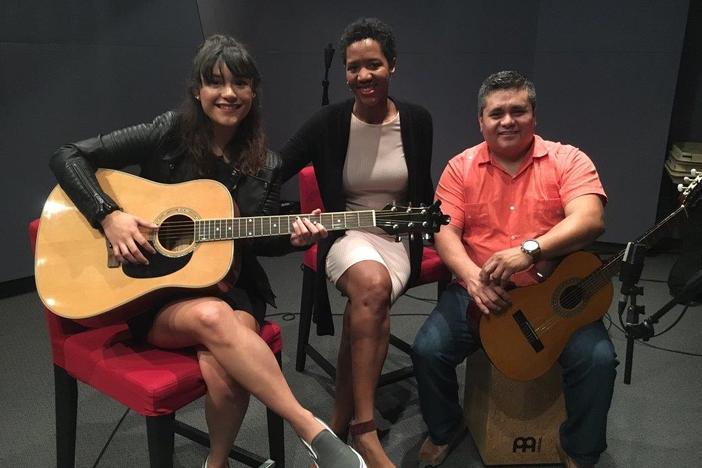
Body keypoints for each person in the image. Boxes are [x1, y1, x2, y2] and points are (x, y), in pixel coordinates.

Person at [49, 35, 366, 468]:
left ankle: (213, 464)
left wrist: (295, 239)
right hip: (153, 290)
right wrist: (109, 215)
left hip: (232, 285)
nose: (228, 93)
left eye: (240, 84)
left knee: (226, 373)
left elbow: (259, 240)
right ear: (197, 90)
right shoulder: (167, 133)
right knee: (213, 319)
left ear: (253, 94)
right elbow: (67, 156)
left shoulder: (266, 163)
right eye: (215, 82)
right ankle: (309, 427)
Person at [411, 70, 617, 468]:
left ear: (534, 116)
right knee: (427, 351)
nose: (507, 121)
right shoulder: (460, 167)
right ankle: (445, 428)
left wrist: (531, 250)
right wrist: (472, 280)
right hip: (479, 290)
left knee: (597, 360)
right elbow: (445, 234)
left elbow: (591, 219)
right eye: (497, 113)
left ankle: (580, 450)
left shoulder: (568, 159)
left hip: (555, 293)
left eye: (518, 111)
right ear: (481, 121)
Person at [280, 17, 434, 468]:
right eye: (353, 67)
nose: (363, 76)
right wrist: (294, 218)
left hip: (398, 236)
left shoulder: (418, 120)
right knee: (370, 287)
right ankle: (365, 432)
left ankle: (337, 425)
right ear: (345, 72)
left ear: (392, 66)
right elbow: (274, 171)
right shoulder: (327, 122)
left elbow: (421, 186)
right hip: (347, 234)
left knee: (368, 310)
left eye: (373, 64)